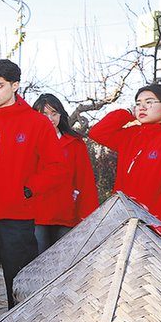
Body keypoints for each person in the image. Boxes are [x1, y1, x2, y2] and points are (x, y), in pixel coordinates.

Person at [0, 59, 67, 319]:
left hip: (17, 218)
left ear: (15, 85)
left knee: (17, 283)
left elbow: (56, 167)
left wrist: (27, 190)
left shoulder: (36, 123)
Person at [89, 84, 161, 236]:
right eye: (138, 103)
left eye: (149, 102)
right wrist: (128, 112)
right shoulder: (130, 135)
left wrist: (153, 223)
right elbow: (97, 133)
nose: (142, 107)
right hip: (123, 224)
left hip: (158, 229)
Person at [31, 94, 99, 254]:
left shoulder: (74, 143)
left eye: (54, 113)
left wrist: (88, 217)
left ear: (61, 115)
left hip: (66, 214)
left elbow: (85, 180)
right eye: (44, 114)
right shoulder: (27, 141)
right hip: (35, 213)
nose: (50, 119)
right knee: (35, 264)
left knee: (62, 264)